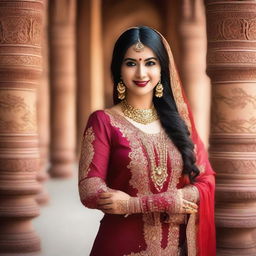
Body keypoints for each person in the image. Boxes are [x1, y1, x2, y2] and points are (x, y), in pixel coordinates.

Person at [78, 26, 216, 256]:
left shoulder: (180, 125)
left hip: (177, 248)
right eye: (131, 63)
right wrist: (154, 204)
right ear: (118, 69)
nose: (141, 73)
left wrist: (134, 204)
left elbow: (205, 180)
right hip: (120, 245)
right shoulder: (103, 121)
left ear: (163, 68)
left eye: (150, 63)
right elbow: (89, 189)